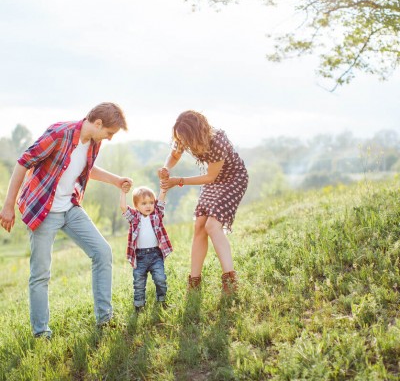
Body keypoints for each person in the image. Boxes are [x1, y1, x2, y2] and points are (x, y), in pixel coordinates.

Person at [0, 102, 133, 339]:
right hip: (43, 209)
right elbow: (23, 162)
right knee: (40, 273)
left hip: (69, 207)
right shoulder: (59, 133)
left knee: (102, 251)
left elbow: (86, 168)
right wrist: (8, 206)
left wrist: (115, 180)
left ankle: (105, 320)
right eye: (109, 133)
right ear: (98, 123)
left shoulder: (94, 143)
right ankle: (41, 332)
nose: (110, 139)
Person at [159, 110, 248, 294]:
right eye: (179, 140)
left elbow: (210, 176)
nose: (182, 144)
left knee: (212, 226)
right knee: (200, 224)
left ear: (195, 134)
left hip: (233, 179)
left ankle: (230, 281)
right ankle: (194, 282)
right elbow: (174, 155)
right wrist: (166, 168)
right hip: (214, 180)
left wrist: (179, 181)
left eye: (184, 140)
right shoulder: (184, 136)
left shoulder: (218, 141)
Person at [120, 176, 173, 312]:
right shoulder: (134, 218)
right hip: (140, 257)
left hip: (155, 254)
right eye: (144, 203)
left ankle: (162, 301)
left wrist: (163, 189)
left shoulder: (156, 214)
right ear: (136, 206)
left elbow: (161, 201)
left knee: (160, 278)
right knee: (139, 282)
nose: (148, 206)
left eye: (150, 202)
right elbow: (123, 208)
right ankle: (139, 305)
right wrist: (123, 192)